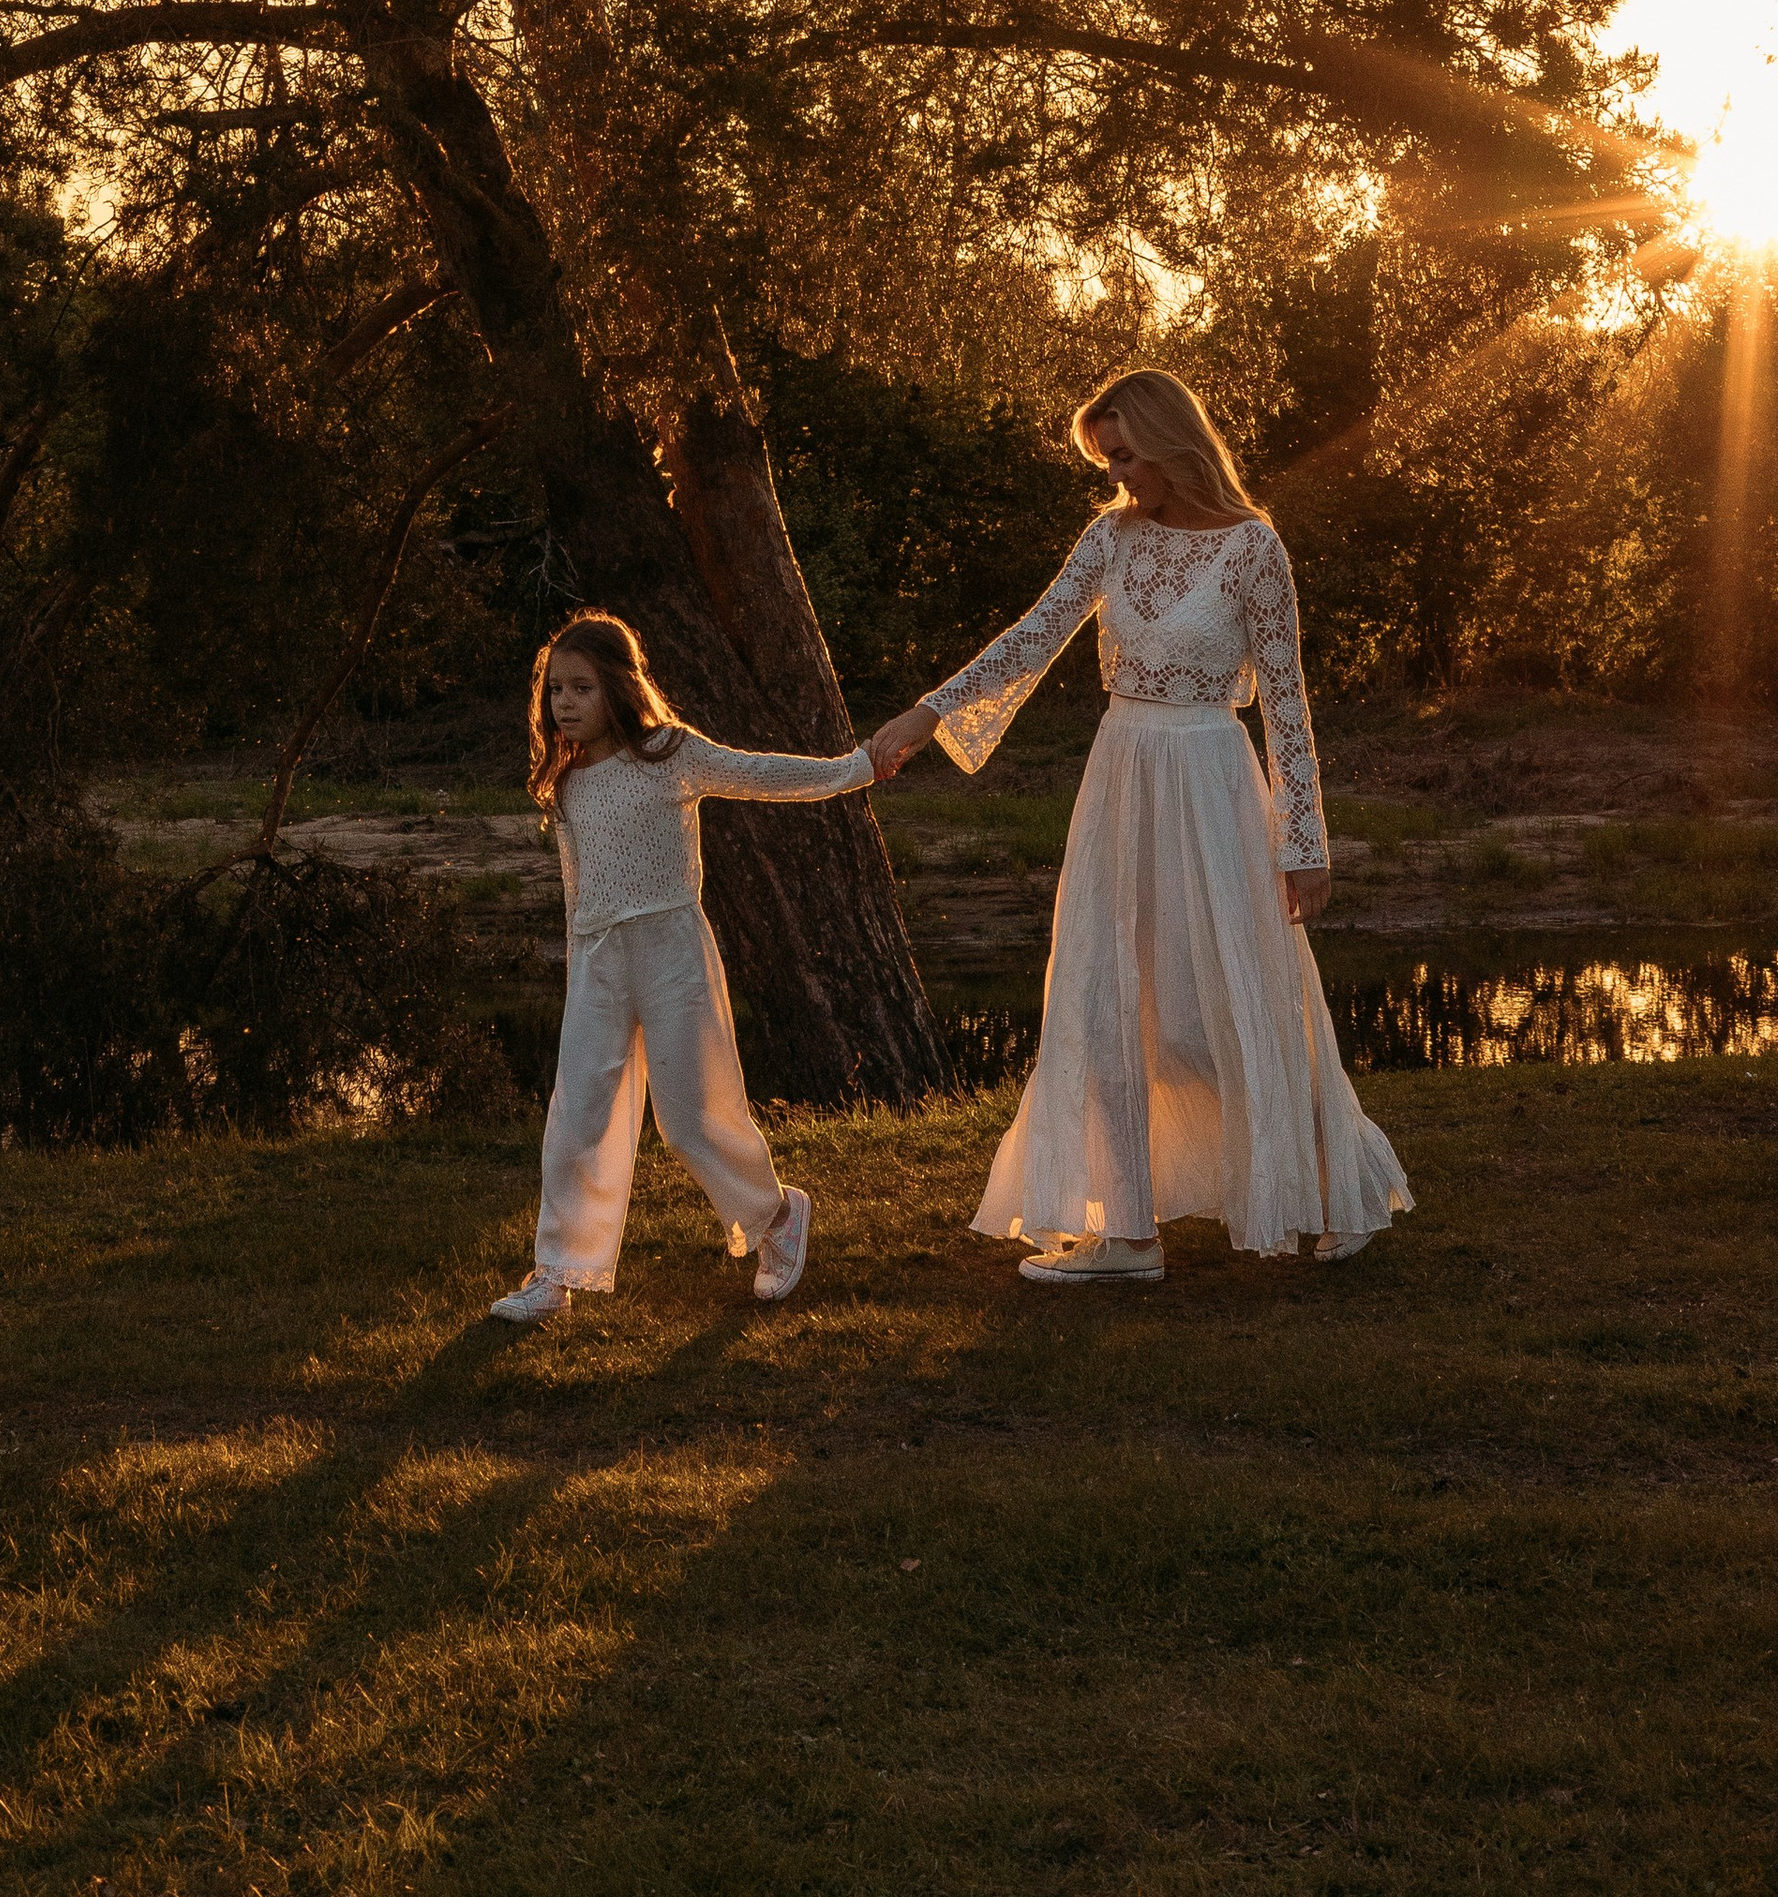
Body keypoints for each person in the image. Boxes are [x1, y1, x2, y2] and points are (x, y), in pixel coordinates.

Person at [869, 370, 1410, 1282]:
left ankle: (1329, 1186)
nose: (1117, 476)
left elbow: (1286, 703)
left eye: (1124, 456)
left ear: (1169, 441)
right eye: (1105, 459)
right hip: (1122, 775)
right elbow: (1033, 634)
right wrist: (928, 714)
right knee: (1105, 988)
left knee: (1250, 986)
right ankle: (1128, 1234)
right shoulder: (1109, 539)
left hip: (1214, 780)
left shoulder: (1252, 548)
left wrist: (1305, 841)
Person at [490, 611, 877, 1325]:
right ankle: (558, 1272)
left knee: (693, 1118)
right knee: (578, 1115)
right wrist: (582, 969)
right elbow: (578, 893)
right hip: (599, 958)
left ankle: (776, 1218)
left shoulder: (670, 754)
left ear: (618, 686)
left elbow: (760, 774)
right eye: (554, 693)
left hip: (671, 950)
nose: (565, 705)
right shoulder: (566, 783)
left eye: (580, 688)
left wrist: (857, 768)